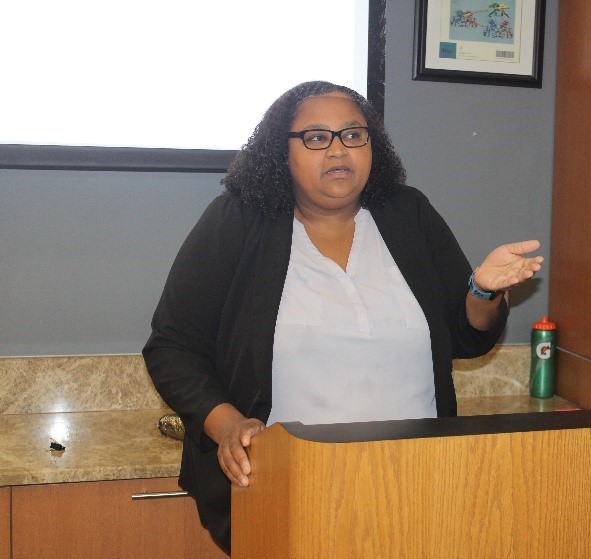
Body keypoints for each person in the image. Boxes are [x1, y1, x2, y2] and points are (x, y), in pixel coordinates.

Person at [143, 80, 543, 551]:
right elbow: (172, 346)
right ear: (282, 152)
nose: (338, 150)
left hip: (421, 481)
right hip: (289, 489)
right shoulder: (240, 220)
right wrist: (228, 425)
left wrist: (482, 290)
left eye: (353, 135)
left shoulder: (407, 214)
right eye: (316, 137)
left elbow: (466, 336)